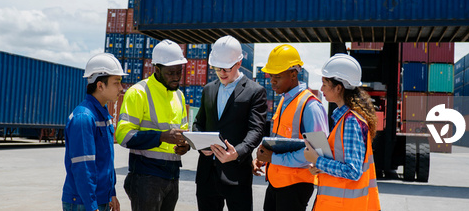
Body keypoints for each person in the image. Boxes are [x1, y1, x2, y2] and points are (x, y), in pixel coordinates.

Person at [193, 35, 268, 211]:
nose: (221, 73)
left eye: (226, 68)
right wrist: (199, 144)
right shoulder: (208, 89)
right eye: (217, 68)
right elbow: (198, 123)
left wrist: (237, 153)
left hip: (236, 175)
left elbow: (256, 130)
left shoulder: (255, 92)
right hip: (206, 175)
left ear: (239, 62)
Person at [115, 40, 191, 211]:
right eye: (171, 72)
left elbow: (184, 132)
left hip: (172, 175)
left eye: (179, 71)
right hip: (145, 176)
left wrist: (184, 146)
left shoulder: (179, 96)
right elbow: (123, 135)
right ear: (156, 69)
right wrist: (161, 136)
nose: (176, 77)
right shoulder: (138, 92)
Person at [251, 44, 329, 211]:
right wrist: (265, 157)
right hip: (276, 183)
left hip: (295, 186)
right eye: (271, 75)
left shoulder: (311, 106)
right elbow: (280, 141)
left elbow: (317, 152)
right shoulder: (284, 100)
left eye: (277, 76)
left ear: (293, 74)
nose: (272, 81)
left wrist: (274, 159)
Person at [303, 54, 381, 211]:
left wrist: (318, 161)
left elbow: (353, 171)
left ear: (339, 88)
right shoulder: (345, 119)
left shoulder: (351, 121)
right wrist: (321, 167)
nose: (321, 88)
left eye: (325, 84)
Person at [62, 53, 126, 211]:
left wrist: (111, 193)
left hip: (99, 199)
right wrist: (92, 206)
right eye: (116, 82)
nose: (121, 88)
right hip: (83, 203)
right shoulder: (84, 118)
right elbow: (83, 167)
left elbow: (106, 161)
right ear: (100, 86)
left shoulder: (102, 114)